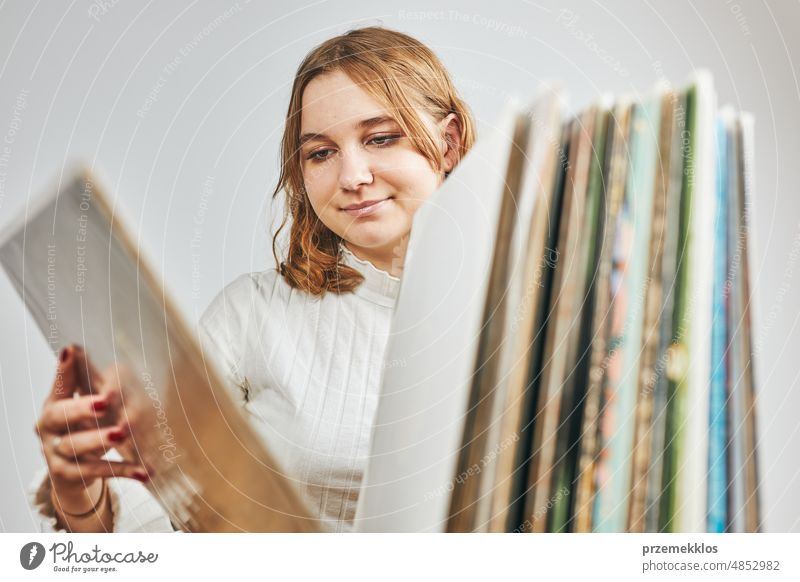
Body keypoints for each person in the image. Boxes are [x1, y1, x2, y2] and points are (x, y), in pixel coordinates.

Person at [29, 26, 476, 533]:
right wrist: (78, 488)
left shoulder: (526, 306)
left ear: (449, 143)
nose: (352, 176)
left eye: (380, 138)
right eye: (321, 152)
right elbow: (154, 518)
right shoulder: (252, 314)